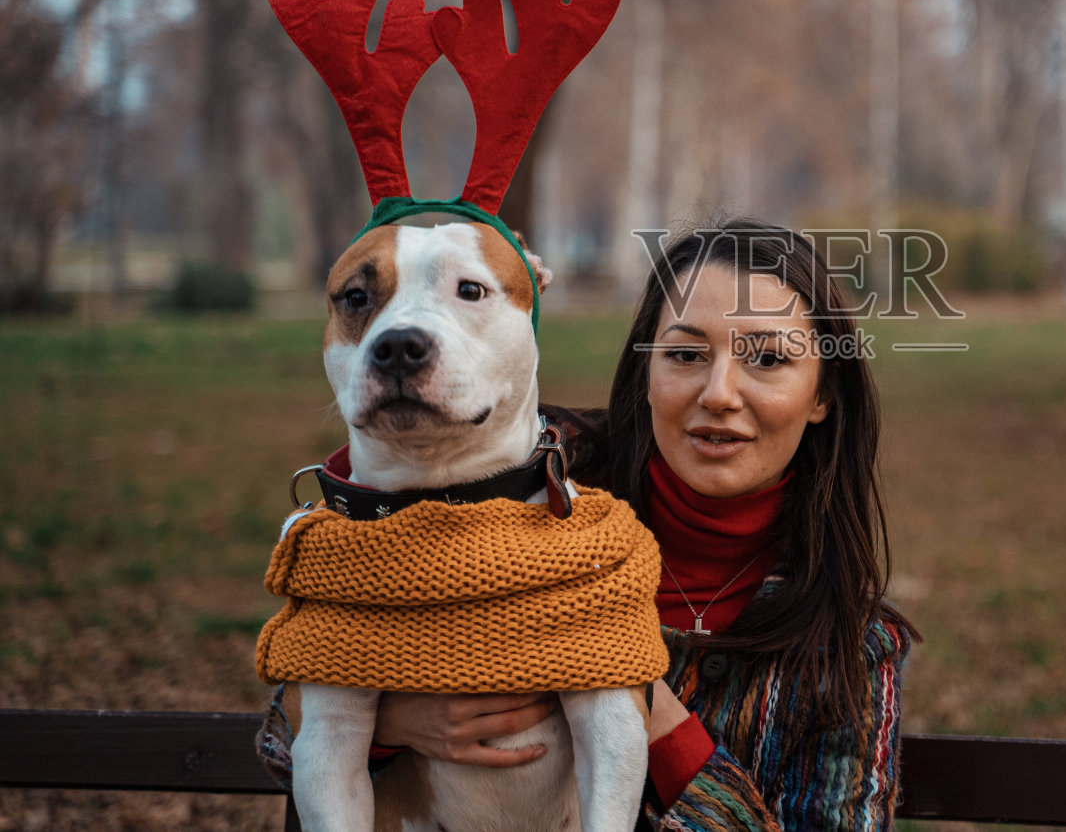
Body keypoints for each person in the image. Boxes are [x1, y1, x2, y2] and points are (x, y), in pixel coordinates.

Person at [259, 219, 916, 830]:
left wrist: (646, 706)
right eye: (685, 355)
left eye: (768, 359)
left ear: (824, 392)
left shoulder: (853, 651)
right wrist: (393, 721)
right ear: (645, 370)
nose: (719, 392)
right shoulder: (520, 471)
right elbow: (291, 731)